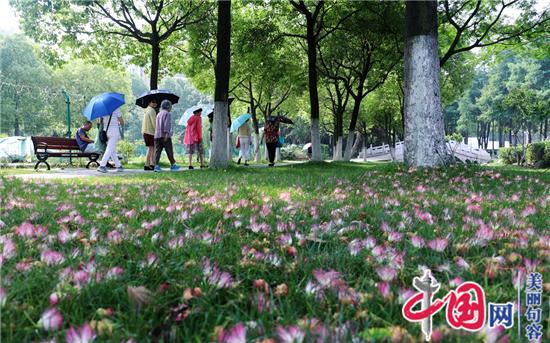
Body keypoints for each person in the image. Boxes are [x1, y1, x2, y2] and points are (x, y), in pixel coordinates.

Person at [154, 100, 180, 172]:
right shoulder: (168, 114)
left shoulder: (158, 114)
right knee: (169, 150)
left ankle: (156, 166)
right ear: (168, 106)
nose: (171, 108)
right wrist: (166, 134)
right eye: (171, 106)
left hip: (157, 135)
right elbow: (166, 125)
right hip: (164, 136)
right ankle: (173, 165)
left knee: (157, 151)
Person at [141, 99, 157, 170]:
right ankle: (152, 164)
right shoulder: (152, 111)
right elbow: (154, 123)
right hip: (150, 132)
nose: (155, 103)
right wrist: (158, 131)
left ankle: (146, 165)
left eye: (156, 102)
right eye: (153, 102)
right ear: (149, 102)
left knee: (150, 148)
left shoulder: (146, 110)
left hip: (145, 132)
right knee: (152, 149)